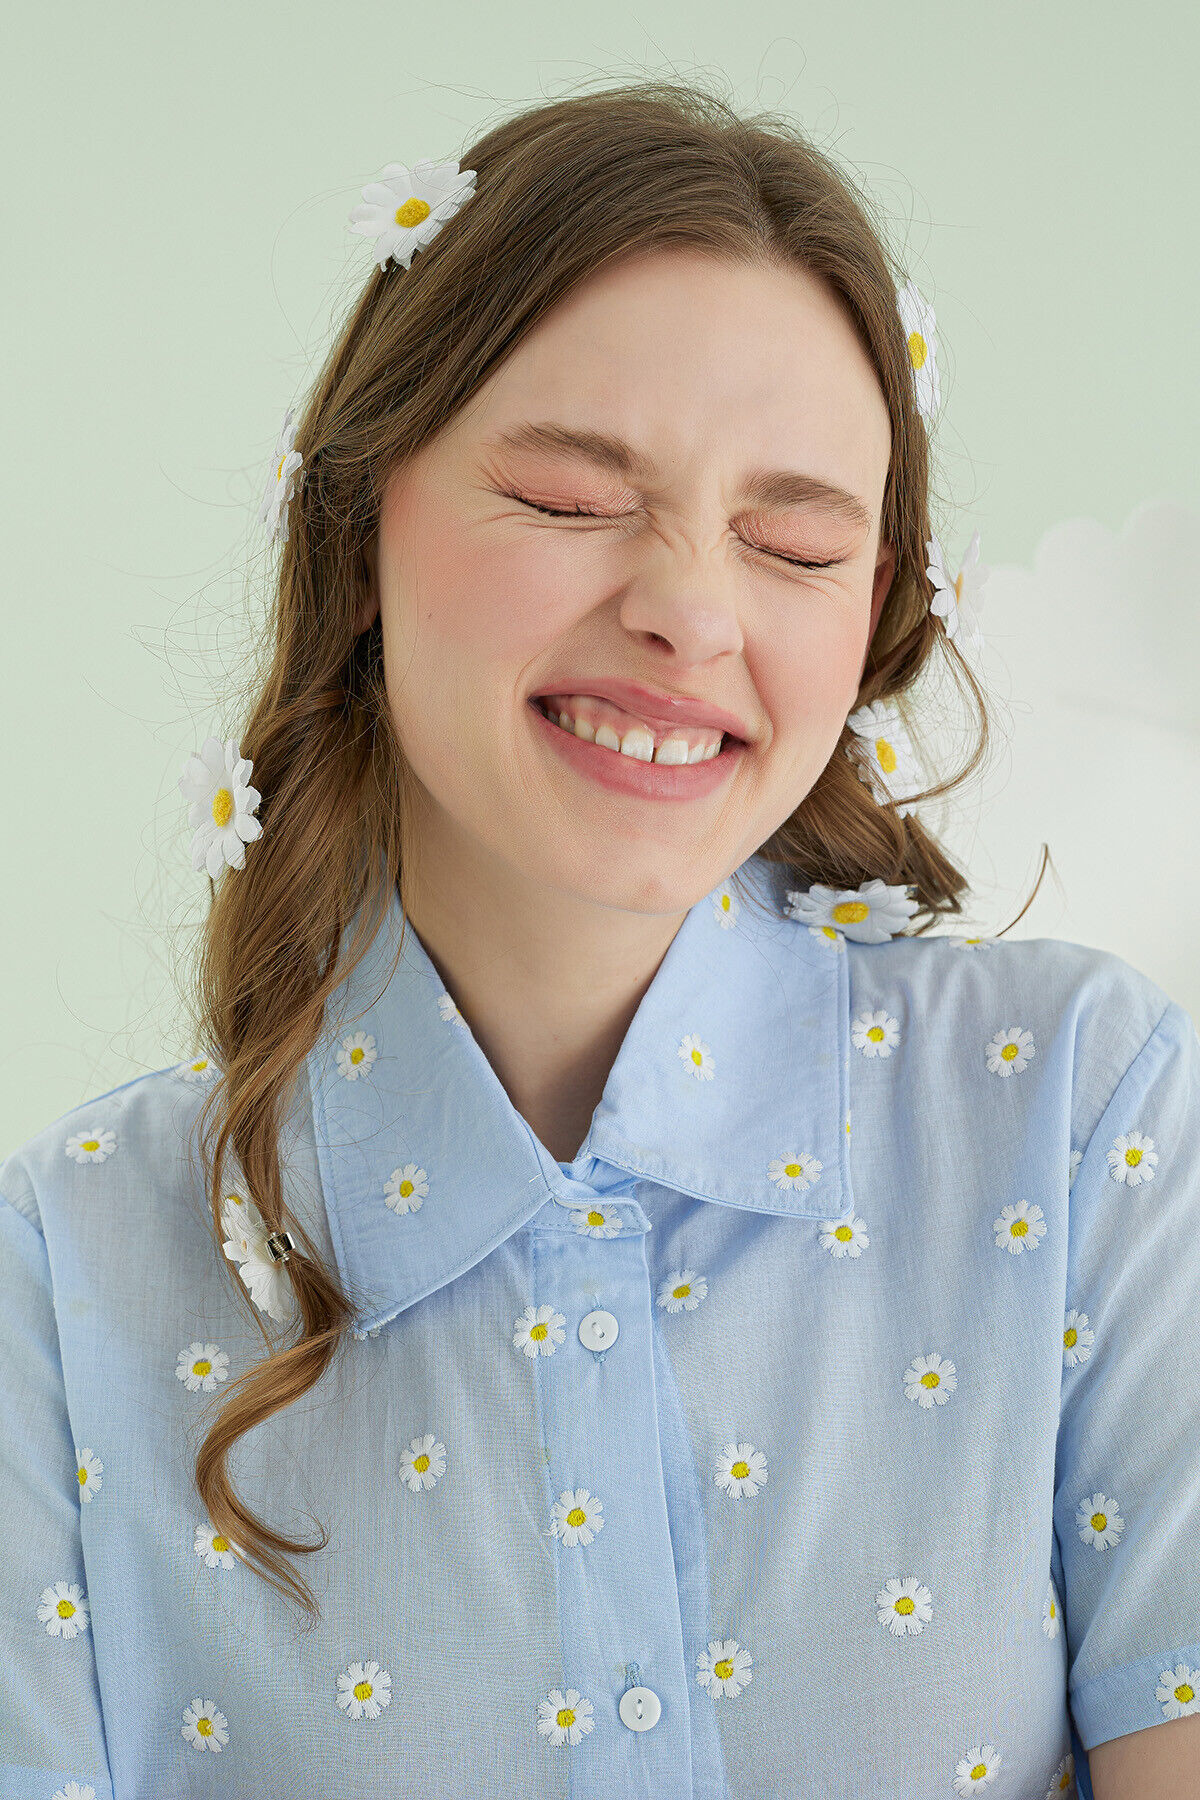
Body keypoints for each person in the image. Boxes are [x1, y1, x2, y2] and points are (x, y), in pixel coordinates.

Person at [3, 78, 1198, 1800]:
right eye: (571, 500)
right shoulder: (65, 1271)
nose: (692, 611)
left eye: (794, 542)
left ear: (872, 609)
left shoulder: (1085, 1118)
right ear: (357, 530)